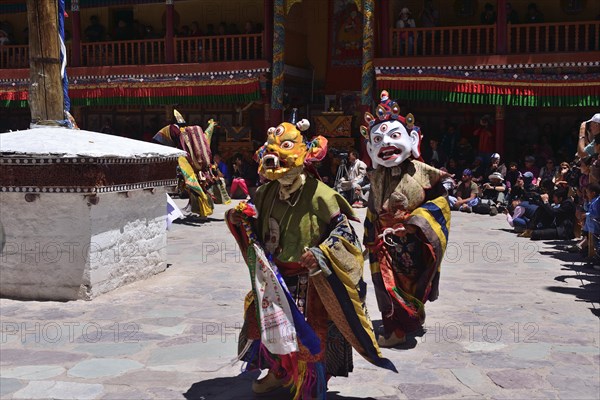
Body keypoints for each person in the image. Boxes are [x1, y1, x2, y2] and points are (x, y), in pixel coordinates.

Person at [226, 118, 396, 398]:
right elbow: (254, 226)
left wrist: (320, 253)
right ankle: (279, 372)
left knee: (311, 336)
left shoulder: (322, 195)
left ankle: (308, 384)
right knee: (265, 328)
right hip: (274, 277)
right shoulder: (266, 192)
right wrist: (237, 218)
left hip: (311, 281)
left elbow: (345, 236)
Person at [361, 91, 450, 347]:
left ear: (412, 139)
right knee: (386, 285)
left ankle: (410, 317)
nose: (385, 143)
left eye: (393, 135)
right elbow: (372, 209)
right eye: (376, 139)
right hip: (385, 245)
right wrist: (369, 238)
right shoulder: (376, 177)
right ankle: (394, 329)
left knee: (413, 286)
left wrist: (414, 224)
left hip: (415, 244)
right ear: (369, 148)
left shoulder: (424, 174)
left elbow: (440, 205)